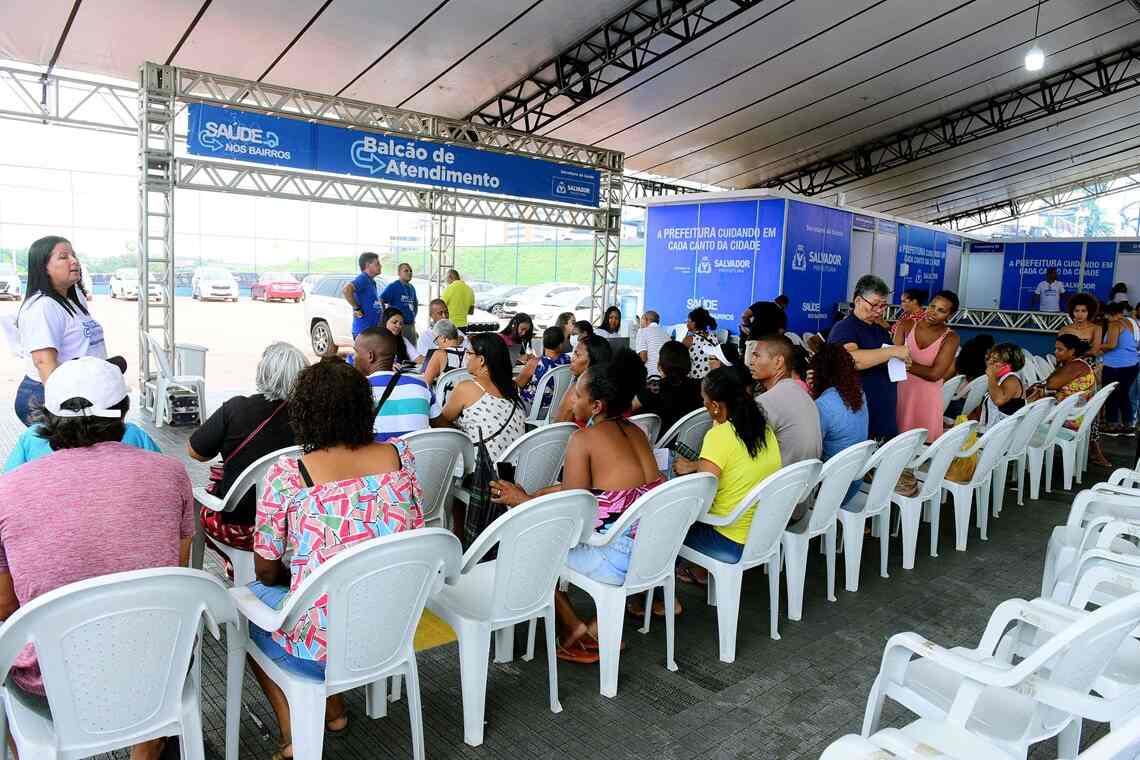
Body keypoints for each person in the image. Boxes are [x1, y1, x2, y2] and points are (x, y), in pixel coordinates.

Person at [0, 357, 194, 760]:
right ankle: (150, 742)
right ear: (123, 416)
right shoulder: (171, 473)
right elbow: (178, 572)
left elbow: (6, 606)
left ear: (47, 421)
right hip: (158, 666)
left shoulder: (9, 490)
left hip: (51, 683)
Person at [248, 358, 425, 756]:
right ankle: (334, 708)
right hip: (394, 626)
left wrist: (308, 572)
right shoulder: (401, 457)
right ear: (364, 406)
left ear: (304, 411)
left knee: (249, 614)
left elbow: (266, 569)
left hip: (322, 647)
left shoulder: (290, 474)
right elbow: (414, 529)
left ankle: (296, 733)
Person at [489, 350, 662, 661]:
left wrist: (522, 500)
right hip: (653, 549)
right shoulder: (636, 432)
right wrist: (544, 492)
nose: (571, 401)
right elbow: (607, 491)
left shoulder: (584, 440)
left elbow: (570, 513)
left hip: (617, 558)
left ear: (596, 406)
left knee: (526, 544)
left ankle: (571, 628)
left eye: (577, 395)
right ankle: (592, 624)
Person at [188, 342, 308, 550]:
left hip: (239, 524)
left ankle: (234, 566)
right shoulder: (313, 416)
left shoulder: (237, 409)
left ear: (263, 373)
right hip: (296, 524)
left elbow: (196, 452)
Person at [672, 367, 781, 573]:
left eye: (703, 399)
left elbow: (699, 502)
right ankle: (699, 571)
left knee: (664, 529)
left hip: (729, 539)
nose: (702, 404)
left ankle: (659, 596)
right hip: (763, 534)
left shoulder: (719, 437)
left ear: (715, 406)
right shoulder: (764, 430)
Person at [14, 235, 108, 426]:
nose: (74, 261)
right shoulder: (42, 307)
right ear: (44, 267)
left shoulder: (75, 298)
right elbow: (43, 362)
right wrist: (63, 410)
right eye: (64, 257)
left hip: (80, 391)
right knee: (65, 455)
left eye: (73, 255)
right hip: (47, 395)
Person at [5, 357, 158, 472]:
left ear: (49, 412)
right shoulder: (134, 434)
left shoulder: (32, 438)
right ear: (123, 413)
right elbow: (160, 471)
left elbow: (7, 481)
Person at [828, 275, 911, 440]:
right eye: (874, 305)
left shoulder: (879, 330)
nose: (879, 311)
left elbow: (886, 358)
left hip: (884, 414)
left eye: (883, 306)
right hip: (859, 415)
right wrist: (893, 352)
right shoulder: (844, 328)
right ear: (858, 300)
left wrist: (902, 361)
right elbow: (852, 359)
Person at [433, 332, 526, 462]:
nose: (466, 357)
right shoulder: (512, 387)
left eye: (469, 353)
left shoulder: (467, 388)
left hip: (482, 469)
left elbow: (440, 422)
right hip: (514, 468)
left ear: (481, 360)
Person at [894, 290, 960, 442]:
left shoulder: (950, 337)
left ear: (949, 316)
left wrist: (905, 363)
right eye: (932, 306)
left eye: (941, 310)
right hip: (901, 392)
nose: (933, 312)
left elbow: (935, 374)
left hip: (928, 398)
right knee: (896, 445)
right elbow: (892, 357)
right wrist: (899, 360)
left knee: (924, 447)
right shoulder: (906, 325)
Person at [750, 334, 822, 464]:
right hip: (806, 479)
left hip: (781, 481)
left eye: (757, 356)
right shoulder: (801, 392)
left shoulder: (765, 402)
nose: (751, 361)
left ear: (778, 362)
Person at [354, 327, 435, 441]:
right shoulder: (421, 386)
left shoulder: (355, 389)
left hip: (377, 458)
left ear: (370, 356)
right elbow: (442, 427)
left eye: (356, 352)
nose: (354, 357)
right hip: (419, 457)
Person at [811, 344, 868, 504]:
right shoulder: (860, 394)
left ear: (819, 373)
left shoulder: (823, 404)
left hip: (832, 487)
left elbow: (813, 448)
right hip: (855, 479)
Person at [1100, 301, 1140, 433]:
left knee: (1111, 393)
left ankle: (1112, 425)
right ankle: (1128, 425)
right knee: (1124, 394)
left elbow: (1111, 345)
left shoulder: (1115, 324)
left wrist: (1095, 346)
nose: (1105, 318)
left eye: (1105, 315)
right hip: (1132, 365)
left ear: (1109, 314)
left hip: (1115, 365)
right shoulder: (1133, 323)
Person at [553, 334, 612, 423]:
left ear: (592, 361)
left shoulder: (578, 390)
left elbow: (558, 428)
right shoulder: (616, 387)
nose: (572, 359)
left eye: (577, 355)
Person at [517, 326, 571, 412]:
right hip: (559, 408)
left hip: (534, 410)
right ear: (561, 344)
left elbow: (517, 385)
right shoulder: (569, 361)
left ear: (544, 342)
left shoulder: (535, 363)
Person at [979, 342, 1026, 430]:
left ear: (1009, 365)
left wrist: (991, 375)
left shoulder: (1012, 380)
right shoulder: (1001, 379)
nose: (989, 363)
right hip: (997, 431)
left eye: (995, 361)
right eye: (989, 358)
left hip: (1004, 435)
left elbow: (998, 400)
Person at [343, 251, 382, 338]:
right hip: (364, 332)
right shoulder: (363, 278)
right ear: (368, 265)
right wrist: (357, 308)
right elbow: (346, 290)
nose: (380, 266)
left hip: (372, 331)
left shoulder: (372, 281)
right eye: (377, 264)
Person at [381, 262, 419, 343]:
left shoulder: (411, 287)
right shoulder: (393, 286)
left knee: (412, 351)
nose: (409, 273)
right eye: (406, 271)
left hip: (411, 325)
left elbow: (415, 304)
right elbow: (381, 300)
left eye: (411, 271)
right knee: (400, 351)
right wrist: (386, 317)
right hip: (398, 327)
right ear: (399, 273)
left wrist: (413, 316)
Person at [421, 318, 465, 388]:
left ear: (443, 338)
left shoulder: (440, 354)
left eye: (436, 339)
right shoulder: (469, 353)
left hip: (446, 397)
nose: (437, 344)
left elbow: (426, 383)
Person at [684, 306, 720, 379]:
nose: (686, 323)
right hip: (710, 380)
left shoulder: (689, 339)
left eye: (688, 320)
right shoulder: (714, 337)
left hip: (694, 380)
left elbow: (679, 360)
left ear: (694, 323)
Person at [635, 310, 670, 377]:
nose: (640, 322)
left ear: (645, 320)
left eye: (641, 319)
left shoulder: (642, 331)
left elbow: (643, 358)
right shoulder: (666, 333)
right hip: (665, 376)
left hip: (651, 377)